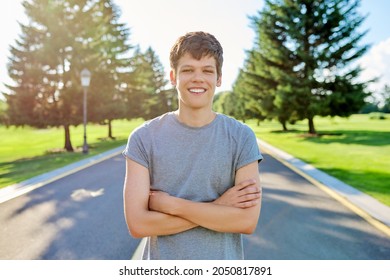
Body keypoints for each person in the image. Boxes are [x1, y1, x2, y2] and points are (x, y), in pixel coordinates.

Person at [123, 31, 263, 260]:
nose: (198, 78)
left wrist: (170, 205)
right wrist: (219, 206)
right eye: (188, 70)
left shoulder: (242, 137)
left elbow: (246, 221)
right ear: (172, 76)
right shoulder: (143, 138)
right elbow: (138, 224)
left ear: (218, 78)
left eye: (207, 70)